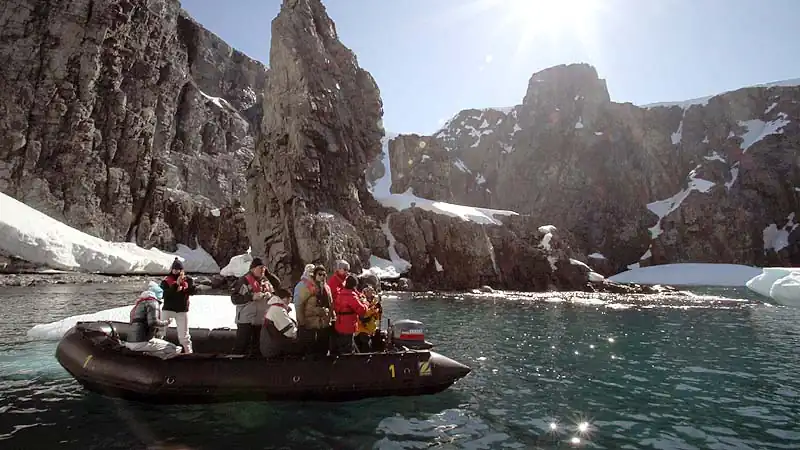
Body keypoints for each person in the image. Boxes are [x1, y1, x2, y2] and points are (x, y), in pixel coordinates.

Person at [230, 257, 281, 356]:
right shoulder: (243, 281)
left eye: (264, 268)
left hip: (259, 320)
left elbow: (277, 285)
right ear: (253, 268)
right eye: (260, 268)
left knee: (257, 347)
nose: (263, 270)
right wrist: (251, 297)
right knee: (241, 346)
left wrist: (268, 275)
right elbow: (234, 298)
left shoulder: (265, 280)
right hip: (246, 320)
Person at [124, 281, 182, 359]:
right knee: (174, 348)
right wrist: (167, 322)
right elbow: (153, 322)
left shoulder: (139, 304)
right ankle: (159, 366)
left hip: (130, 341)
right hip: (141, 342)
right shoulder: (153, 303)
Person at [295, 265, 335, 355]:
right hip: (310, 323)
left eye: (324, 275)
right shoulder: (304, 287)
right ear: (314, 275)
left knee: (323, 349)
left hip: (324, 323)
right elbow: (299, 305)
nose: (322, 277)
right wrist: (302, 322)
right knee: (311, 350)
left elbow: (331, 304)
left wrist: (330, 318)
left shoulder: (326, 287)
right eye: (319, 274)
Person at [160, 258, 197, 354]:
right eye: (174, 269)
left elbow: (193, 292)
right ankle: (157, 350)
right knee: (161, 331)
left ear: (181, 270)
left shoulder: (188, 280)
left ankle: (188, 353)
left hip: (182, 310)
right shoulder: (166, 281)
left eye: (178, 269)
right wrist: (176, 285)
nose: (176, 271)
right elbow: (164, 294)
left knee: (184, 335)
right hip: (168, 309)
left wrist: (189, 287)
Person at [332, 275, 368, 355]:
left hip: (339, 324)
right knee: (348, 349)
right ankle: (348, 364)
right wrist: (365, 302)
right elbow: (362, 311)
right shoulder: (351, 296)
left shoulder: (340, 293)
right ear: (354, 285)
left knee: (341, 346)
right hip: (348, 325)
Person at [260, 288, 300, 358]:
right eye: (289, 299)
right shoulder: (278, 310)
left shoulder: (275, 307)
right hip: (273, 349)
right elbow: (290, 332)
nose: (290, 302)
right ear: (285, 299)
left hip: (270, 346)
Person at [355, 286, 382, 352]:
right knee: (365, 344)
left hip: (372, 328)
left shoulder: (375, 302)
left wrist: (379, 310)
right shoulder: (361, 301)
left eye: (371, 290)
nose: (370, 292)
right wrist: (373, 309)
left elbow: (378, 317)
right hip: (362, 329)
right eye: (367, 290)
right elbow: (363, 315)